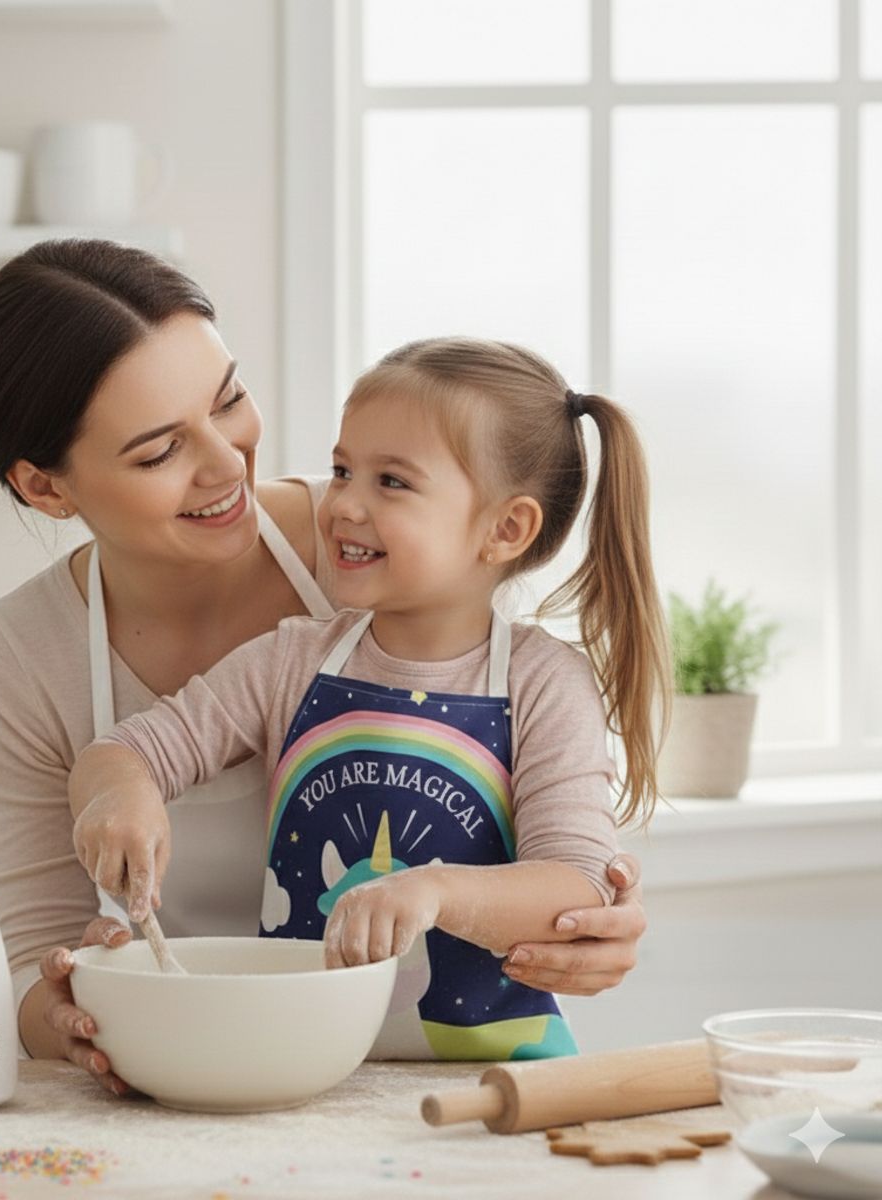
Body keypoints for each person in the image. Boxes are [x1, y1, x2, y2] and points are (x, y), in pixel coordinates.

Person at [0, 242, 648, 1089]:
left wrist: (566, 920)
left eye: (230, 400)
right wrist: (73, 1007)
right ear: (45, 486)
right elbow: (38, 948)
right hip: (255, 1068)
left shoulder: (398, 569)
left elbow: (570, 869)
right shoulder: (42, 657)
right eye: (158, 450)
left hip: (479, 1082)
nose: (226, 464)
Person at [70, 336, 671, 1062]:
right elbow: (127, 749)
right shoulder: (292, 658)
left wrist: (435, 893)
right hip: (303, 1062)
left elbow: (574, 888)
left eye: (392, 482)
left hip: (492, 1082)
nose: (344, 503)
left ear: (506, 529)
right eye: (343, 469)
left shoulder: (543, 684)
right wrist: (119, 795)